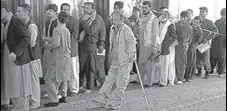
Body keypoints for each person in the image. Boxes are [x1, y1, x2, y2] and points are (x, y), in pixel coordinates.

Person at [92, 11, 136, 110]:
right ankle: (101, 99)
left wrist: (131, 54)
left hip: (124, 60)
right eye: (112, 19)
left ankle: (117, 102)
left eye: (115, 19)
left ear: (122, 19)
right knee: (108, 80)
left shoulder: (126, 29)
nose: (113, 21)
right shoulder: (112, 29)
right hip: (115, 59)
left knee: (121, 82)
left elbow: (132, 42)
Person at [1, 1, 33, 110]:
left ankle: (21, 108)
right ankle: (16, 106)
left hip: (18, 60)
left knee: (20, 86)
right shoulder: (6, 22)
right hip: (9, 60)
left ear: (3, 11)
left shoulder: (16, 21)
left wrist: (15, 52)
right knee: (12, 84)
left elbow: (26, 38)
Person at [16, 3, 43, 109]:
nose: (16, 13)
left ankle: (36, 102)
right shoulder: (22, 24)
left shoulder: (31, 25)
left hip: (33, 57)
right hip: (27, 57)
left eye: (19, 12)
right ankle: (31, 101)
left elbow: (31, 43)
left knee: (33, 80)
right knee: (29, 79)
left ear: (26, 13)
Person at [43, 11, 72, 107]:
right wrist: (48, 39)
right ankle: (63, 96)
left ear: (58, 19)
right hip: (66, 57)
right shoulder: (66, 29)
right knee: (62, 78)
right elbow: (61, 41)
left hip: (59, 58)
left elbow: (56, 44)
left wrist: (45, 46)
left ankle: (53, 100)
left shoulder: (56, 29)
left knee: (48, 78)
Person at [79, 2, 105, 94]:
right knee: (81, 66)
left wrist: (101, 44)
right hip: (82, 45)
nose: (85, 10)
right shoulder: (83, 17)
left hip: (91, 45)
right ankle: (80, 84)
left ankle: (89, 87)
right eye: (84, 8)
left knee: (90, 66)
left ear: (93, 10)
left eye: (88, 8)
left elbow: (90, 31)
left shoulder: (97, 19)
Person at [136, 1, 160, 87]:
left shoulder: (154, 18)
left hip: (149, 45)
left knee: (149, 64)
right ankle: (140, 80)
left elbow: (155, 33)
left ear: (150, 8)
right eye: (143, 7)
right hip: (142, 44)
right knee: (141, 62)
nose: (144, 9)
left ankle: (149, 82)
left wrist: (154, 46)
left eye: (146, 7)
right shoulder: (142, 17)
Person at [105, 1, 132, 75]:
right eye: (115, 8)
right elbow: (107, 32)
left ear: (121, 9)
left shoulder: (125, 21)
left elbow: (129, 36)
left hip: (122, 46)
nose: (116, 10)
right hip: (111, 44)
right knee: (110, 62)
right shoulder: (109, 19)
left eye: (118, 8)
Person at [154, 9, 177, 87]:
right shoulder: (158, 22)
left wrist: (168, 44)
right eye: (163, 13)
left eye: (166, 14)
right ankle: (156, 79)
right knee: (157, 64)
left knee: (164, 65)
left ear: (168, 16)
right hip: (157, 45)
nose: (164, 15)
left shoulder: (170, 25)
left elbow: (174, 37)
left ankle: (163, 82)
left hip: (164, 47)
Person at [60, 3, 80, 97]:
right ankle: (63, 90)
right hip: (61, 50)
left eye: (67, 9)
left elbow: (75, 35)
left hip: (72, 49)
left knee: (73, 71)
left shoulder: (75, 21)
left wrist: (63, 37)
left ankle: (74, 90)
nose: (65, 11)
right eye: (63, 9)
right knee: (62, 71)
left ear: (70, 10)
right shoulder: (58, 20)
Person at [41, 4, 58, 98]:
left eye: (50, 10)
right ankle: (50, 91)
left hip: (54, 50)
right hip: (47, 49)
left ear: (56, 12)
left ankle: (56, 92)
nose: (48, 12)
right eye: (47, 10)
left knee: (53, 73)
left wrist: (46, 38)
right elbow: (43, 35)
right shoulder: (47, 22)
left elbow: (57, 39)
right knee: (46, 71)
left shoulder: (58, 23)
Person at [197, 7, 218, 79]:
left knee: (205, 59)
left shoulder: (209, 22)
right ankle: (199, 71)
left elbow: (215, 31)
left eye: (203, 12)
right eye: (200, 11)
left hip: (204, 43)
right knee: (197, 59)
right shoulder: (196, 21)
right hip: (197, 43)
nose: (201, 13)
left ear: (206, 13)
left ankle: (207, 72)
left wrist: (208, 39)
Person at [175, 11, 193, 84]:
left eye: (185, 17)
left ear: (187, 18)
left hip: (182, 46)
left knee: (181, 62)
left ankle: (180, 77)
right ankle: (173, 77)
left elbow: (190, 39)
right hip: (173, 45)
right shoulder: (176, 24)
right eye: (182, 17)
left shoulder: (189, 27)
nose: (183, 19)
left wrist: (186, 46)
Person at [184, 16, 203, 83]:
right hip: (184, 45)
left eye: (197, 22)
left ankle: (187, 76)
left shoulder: (199, 31)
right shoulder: (188, 27)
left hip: (192, 47)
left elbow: (198, 41)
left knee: (190, 62)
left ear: (199, 24)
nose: (195, 23)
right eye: (194, 21)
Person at [210, 8, 226, 77]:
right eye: (224, 14)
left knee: (222, 57)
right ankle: (211, 69)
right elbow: (214, 30)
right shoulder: (217, 22)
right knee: (213, 56)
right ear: (222, 15)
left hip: (224, 42)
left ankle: (220, 72)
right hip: (216, 41)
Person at [128, 6, 141, 74]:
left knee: (138, 55)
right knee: (132, 55)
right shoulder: (129, 20)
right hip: (132, 40)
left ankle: (136, 69)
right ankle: (130, 70)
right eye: (135, 11)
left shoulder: (140, 20)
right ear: (133, 12)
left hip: (138, 41)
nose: (136, 13)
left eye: (138, 12)